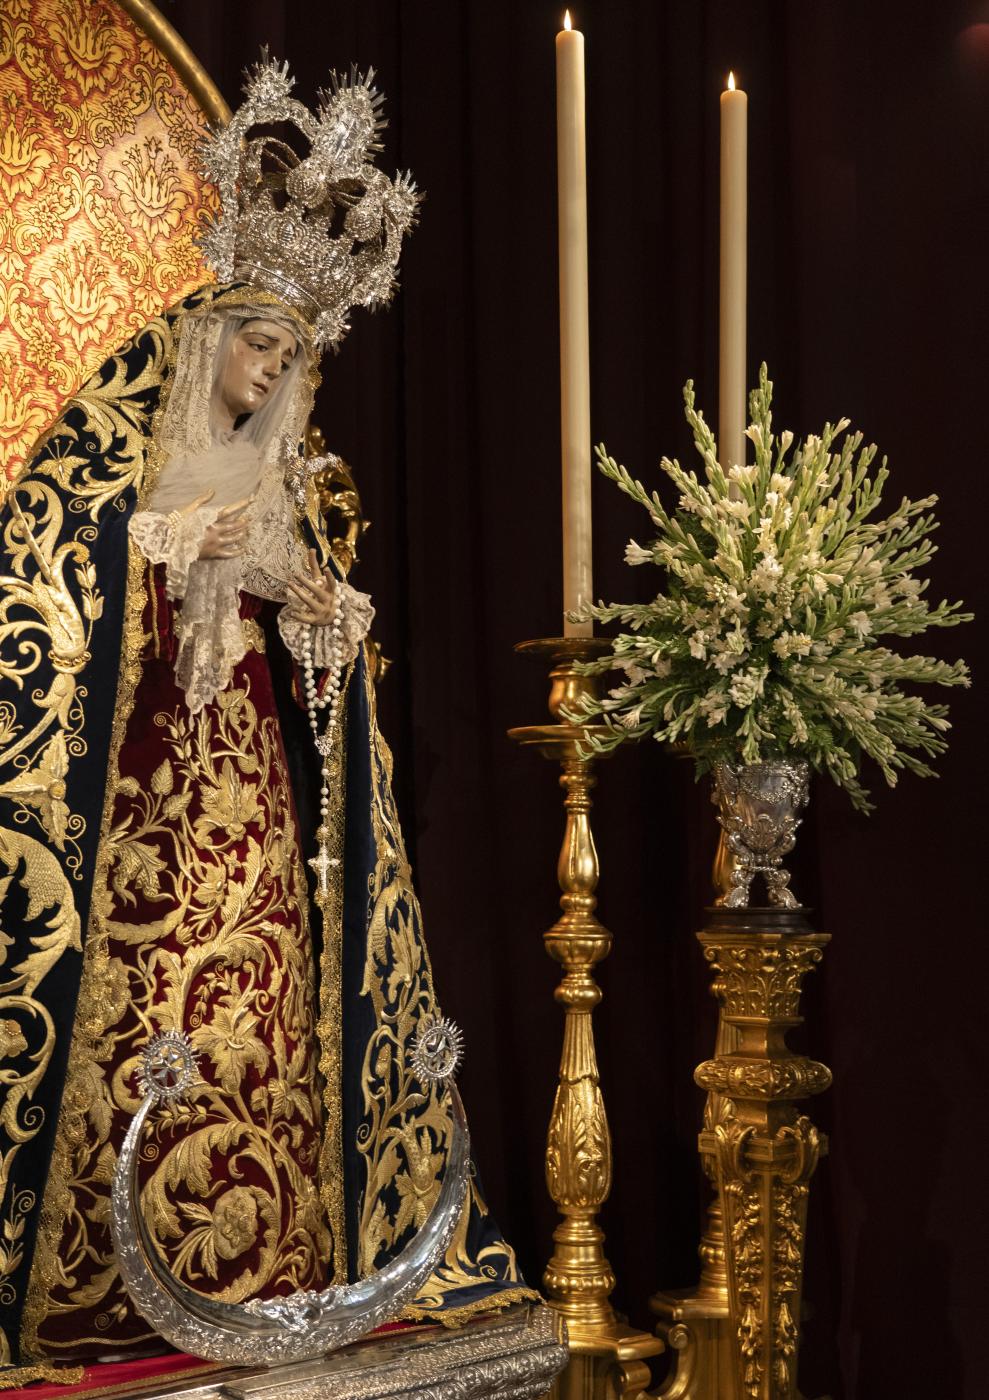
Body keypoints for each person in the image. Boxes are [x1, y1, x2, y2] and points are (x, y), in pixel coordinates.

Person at [0, 65, 535, 1381]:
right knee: (155, 1024)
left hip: (250, 798)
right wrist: (175, 545)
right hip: (142, 807)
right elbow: (58, 567)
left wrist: (320, 619)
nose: (272, 372)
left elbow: (315, 666)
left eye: (293, 360)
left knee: (264, 1012)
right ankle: (111, 1296)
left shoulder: (277, 474)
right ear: (211, 337)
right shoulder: (119, 447)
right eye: (259, 346)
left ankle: (268, 1274)